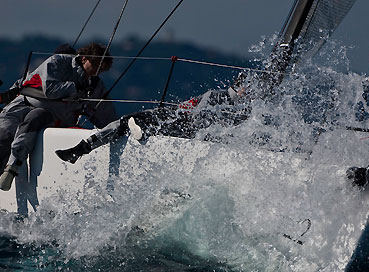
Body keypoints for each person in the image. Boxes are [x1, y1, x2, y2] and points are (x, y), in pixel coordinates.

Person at [0, 42, 117, 191]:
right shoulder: (58, 61)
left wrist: (115, 128)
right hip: (22, 105)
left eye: (102, 69)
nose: (97, 71)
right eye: (96, 65)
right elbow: (49, 89)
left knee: (36, 118)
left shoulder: (95, 85)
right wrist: (75, 88)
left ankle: (12, 169)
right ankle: (8, 170)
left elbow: (105, 115)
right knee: (4, 134)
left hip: (51, 116)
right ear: (84, 59)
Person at [55, 85, 249, 164]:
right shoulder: (218, 97)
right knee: (127, 121)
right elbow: (198, 117)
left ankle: (81, 149)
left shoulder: (233, 107)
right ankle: (82, 148)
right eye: (243, 90)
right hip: (178, 118)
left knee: (127, 121)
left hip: (179, 122)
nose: (245, 93)